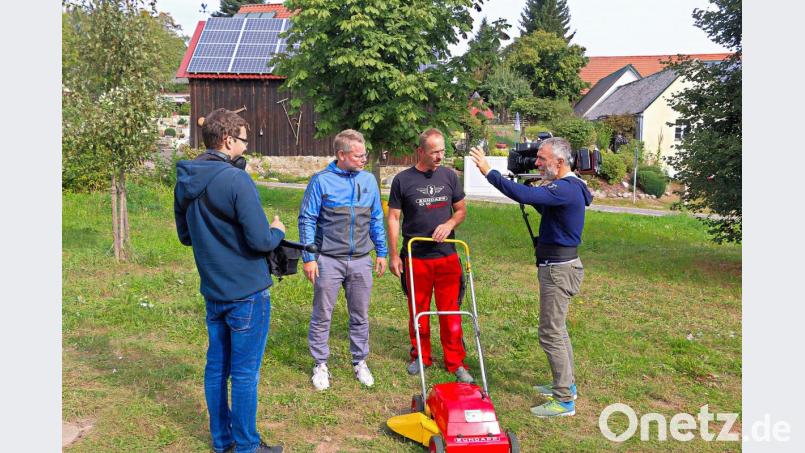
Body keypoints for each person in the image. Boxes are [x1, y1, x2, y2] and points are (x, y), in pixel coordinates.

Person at [174, 108, 285, 453]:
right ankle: (248, 446)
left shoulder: (185, 179)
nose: (246, 147)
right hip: (247, 292)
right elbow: (261, 241)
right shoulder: (237, 180)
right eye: (243, 140)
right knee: (245, 373)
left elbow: (186, 236)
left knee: (216, 368)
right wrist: (277, 231)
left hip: (214, 289)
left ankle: (223, 441)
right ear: (227, 139)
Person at [469, 137, 592, 418]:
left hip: (559, 270)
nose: (537, 163)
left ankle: (564, 401)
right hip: (558, 266)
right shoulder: (568, 188)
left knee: (550, 333)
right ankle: (567, 386)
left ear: (559, 162)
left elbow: (524, 196)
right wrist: (531, 190)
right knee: (558, 330)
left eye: (542, 159)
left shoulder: (565, 188)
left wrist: (489, 172)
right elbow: (543, 206)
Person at [298, 129, 388, 391]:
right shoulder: (321, 181)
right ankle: (320, 364)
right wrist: (309, 257)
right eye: (358, 155)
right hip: (328, 260)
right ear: (341, 155)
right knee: (322, 314)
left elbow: (376, 218)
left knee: (360, 314)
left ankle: (360, 361)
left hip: (361, 260)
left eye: (364, 154)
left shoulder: (368, 181)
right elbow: (307, 219)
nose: (364, 159)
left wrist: (381, 252)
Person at [387, 128, 473, 384]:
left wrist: (449, 224)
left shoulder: (449, 176)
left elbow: (461, 211)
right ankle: (421, 357)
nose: (439, 156)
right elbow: (394, 218)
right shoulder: (403, 180)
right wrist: (394, 255)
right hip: (416, 257)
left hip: (446, 257)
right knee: (418, 311)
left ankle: (455, 362)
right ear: (420, 151)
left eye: (442, 151)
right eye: (434, 152)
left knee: (450, 313)